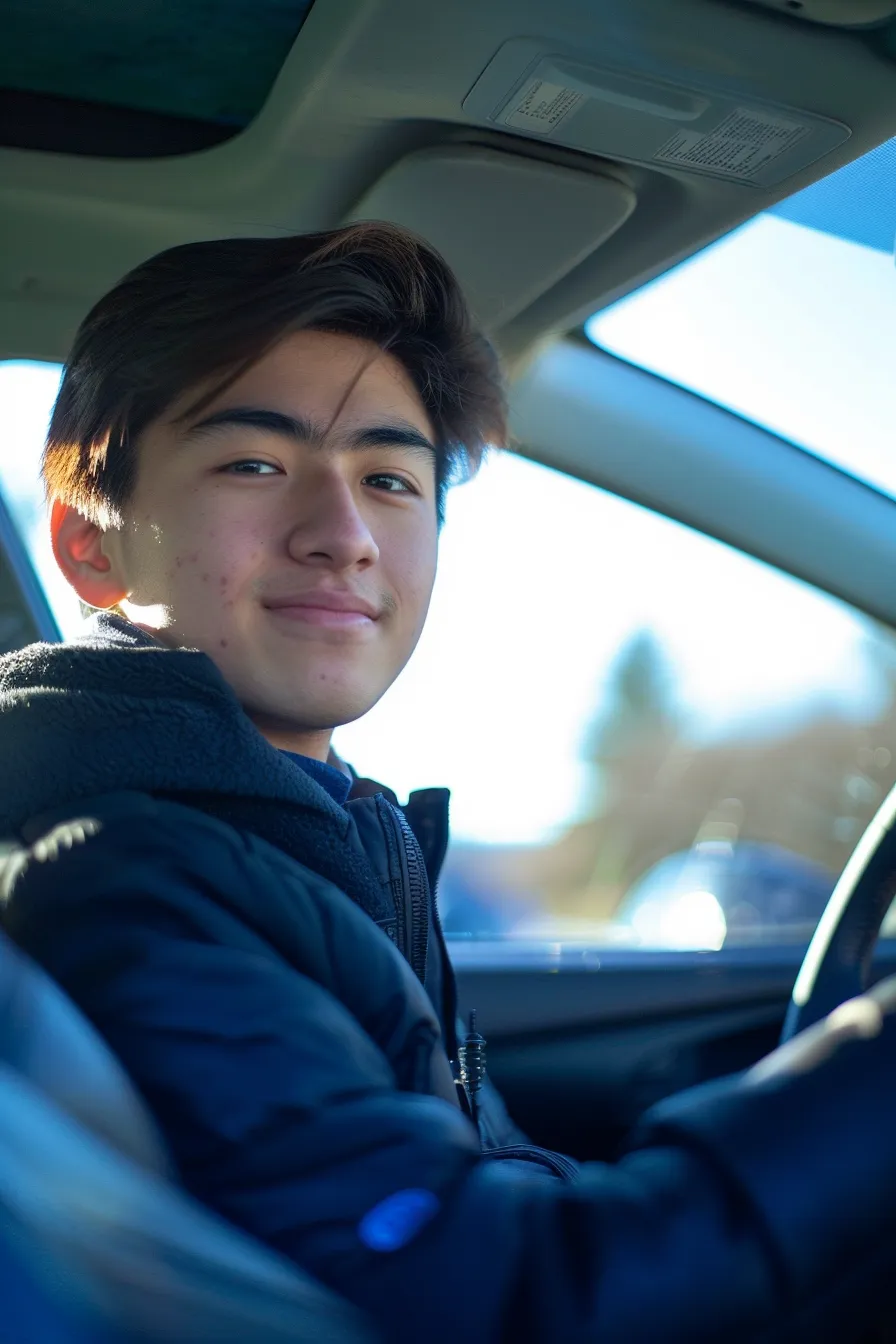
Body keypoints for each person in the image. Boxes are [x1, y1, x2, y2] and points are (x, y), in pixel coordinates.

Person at [1, 222, 896, 1343]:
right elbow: (501, 1303)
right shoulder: (124, 880)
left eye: (387, 478)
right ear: (91, 543)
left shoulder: (310, 837)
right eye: (256, 464)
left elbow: (485, 1181)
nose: (343, 535)